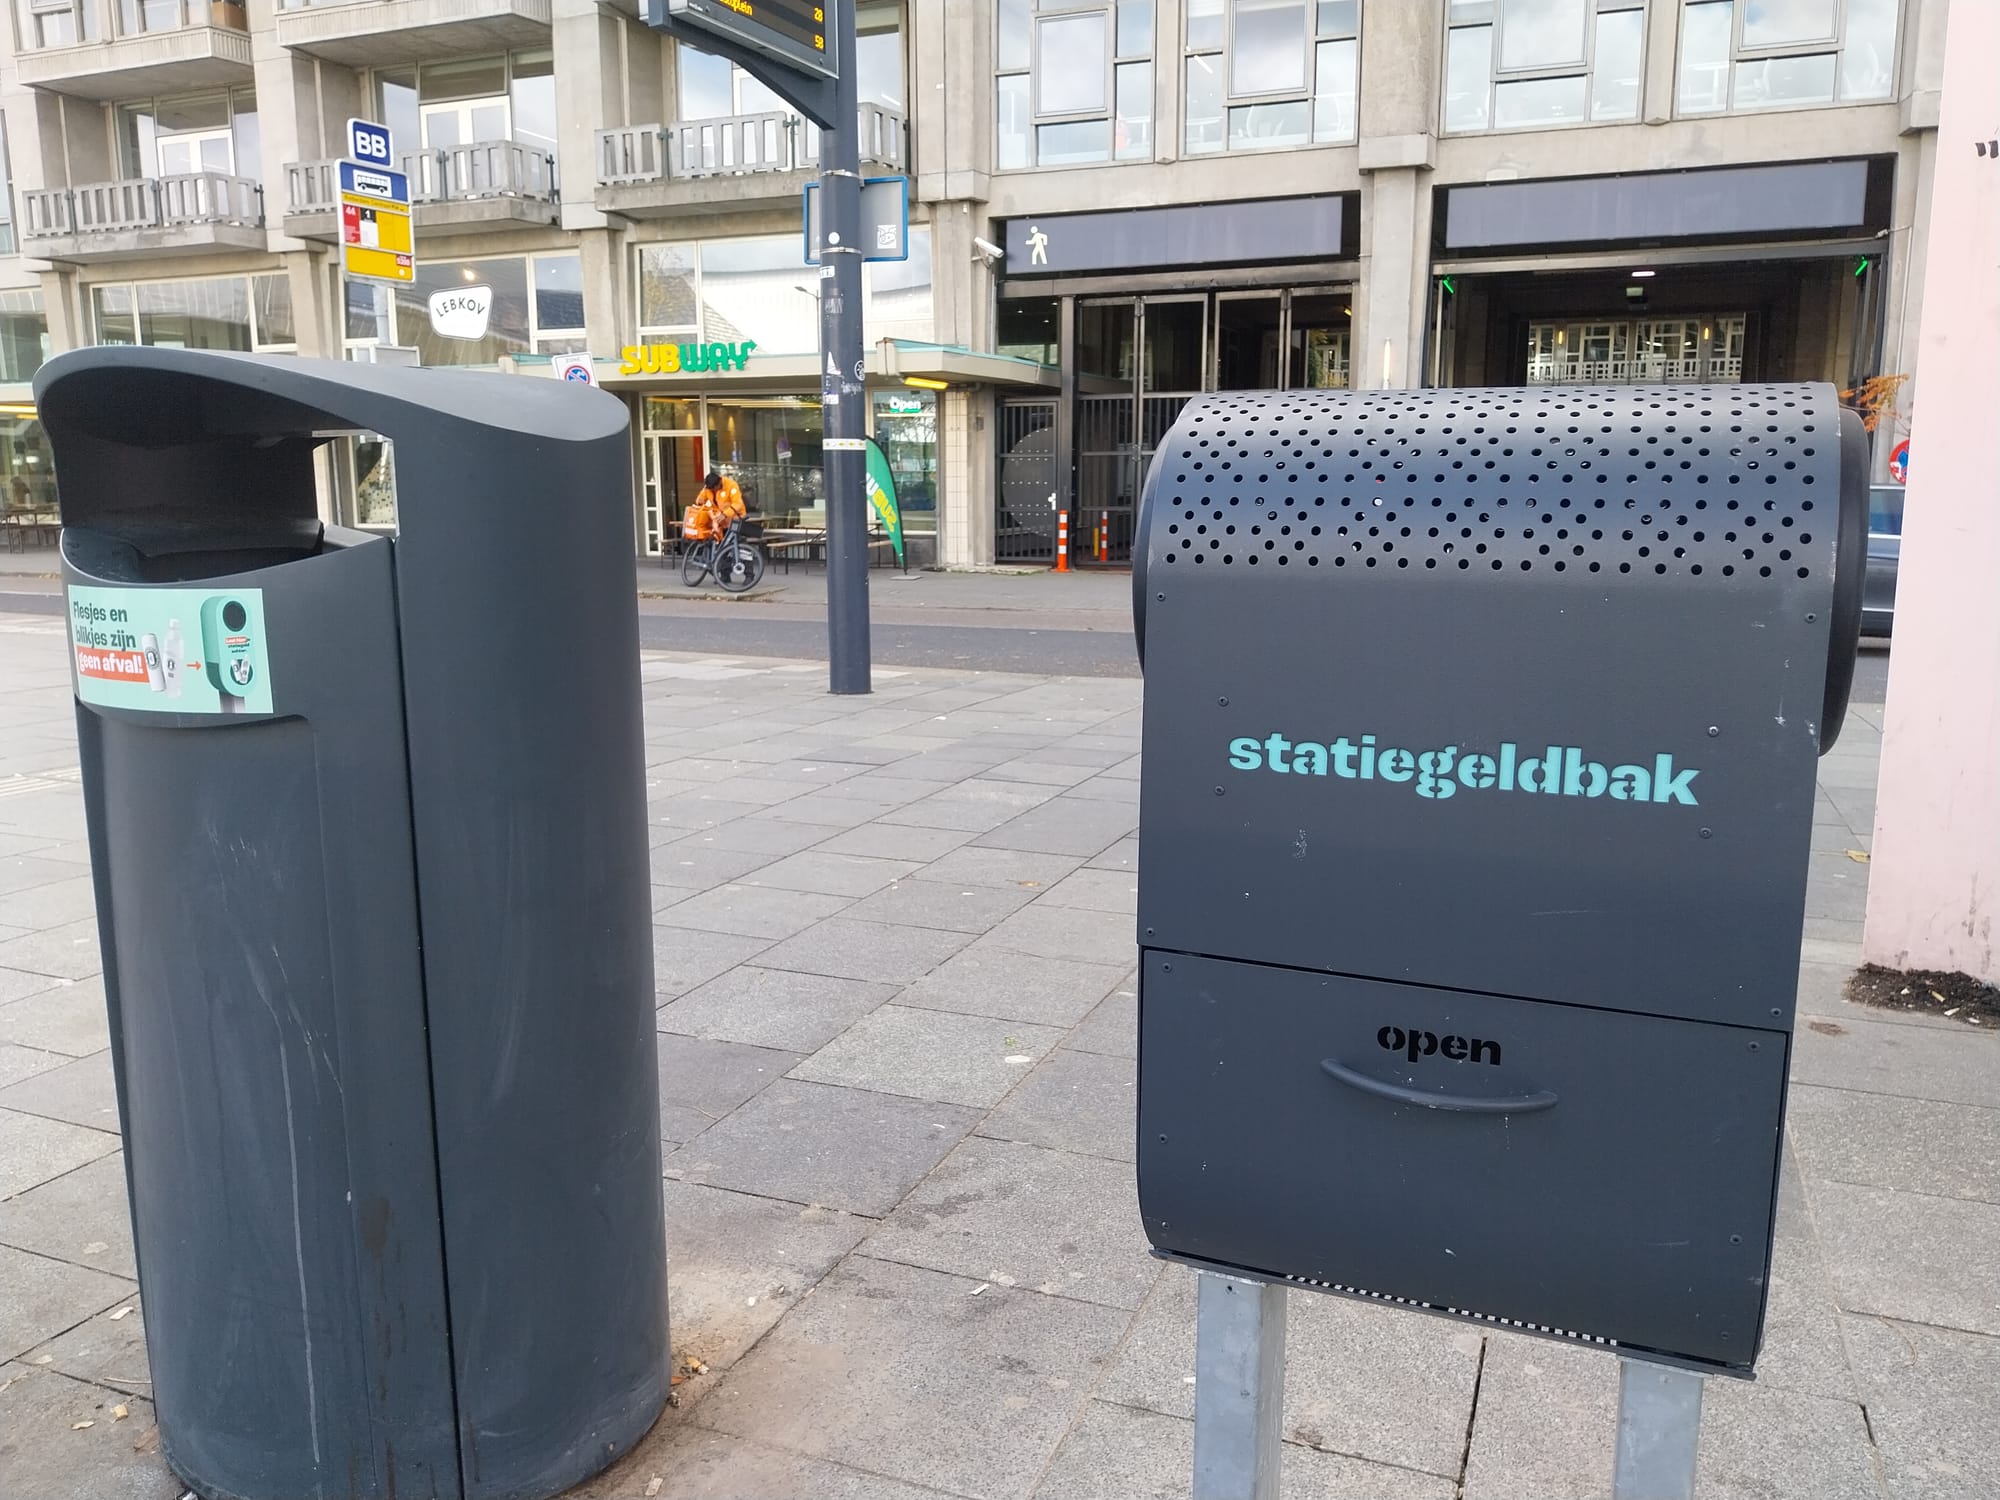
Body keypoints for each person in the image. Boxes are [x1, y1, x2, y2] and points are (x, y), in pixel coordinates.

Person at [682, 469, 746, 543]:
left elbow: (738, 504)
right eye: (710, 489)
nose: (712, 490)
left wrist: (725, 514)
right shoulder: (708, 488)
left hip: (735, 519)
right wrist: (700, 501)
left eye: (713, 488)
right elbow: (700, 498)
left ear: (719, 483)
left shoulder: (731, 485)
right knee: (714, 537)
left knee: (730, 543)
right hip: (720, 521)